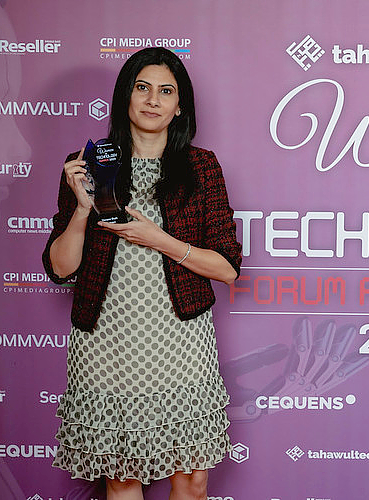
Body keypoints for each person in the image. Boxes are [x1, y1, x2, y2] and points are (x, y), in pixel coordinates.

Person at [42, 47, 242, 499]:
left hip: (181, 342)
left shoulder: (201, 167)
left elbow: (228, 268)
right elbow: (60, 268)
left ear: (179, 106)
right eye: (142, 87)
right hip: (109, 345)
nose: (153, 100)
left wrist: (159, 238)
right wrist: (80, 209)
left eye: (165, 91)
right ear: (125, 97)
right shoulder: (87, 165)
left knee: (192, 480)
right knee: (124, 477)